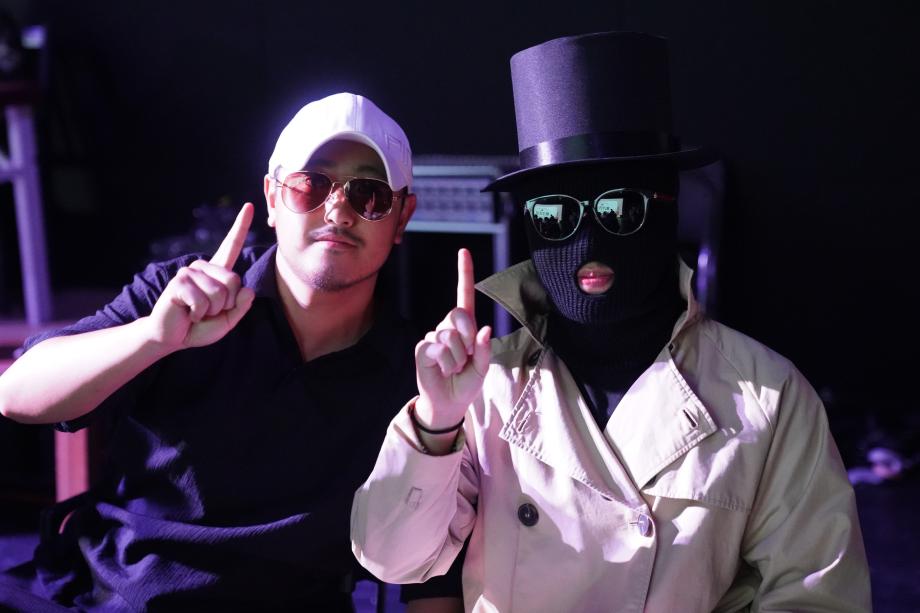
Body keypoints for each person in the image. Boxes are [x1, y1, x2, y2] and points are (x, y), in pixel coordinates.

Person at [351, 33, 871, 611]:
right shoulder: (486, 389)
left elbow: (816, 597)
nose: (588, 243)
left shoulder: (768, 397)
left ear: (668, 207)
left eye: (620, 209)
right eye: (554, 215)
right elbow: (391, 559)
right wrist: (435, 423)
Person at [0, 92, 461, 611]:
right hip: (107, 595)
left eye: (369, 195)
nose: (337, 210)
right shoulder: (185, 292)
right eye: (311, 185)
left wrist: (441, 420)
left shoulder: (416, 375)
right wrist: (153, 338)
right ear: (272, 198)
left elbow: (431, 577)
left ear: (401, 217)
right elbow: (16, 393)